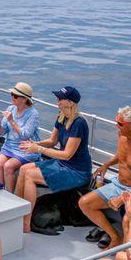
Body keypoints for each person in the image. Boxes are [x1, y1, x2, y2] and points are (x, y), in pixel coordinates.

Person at [79, 106, 131, 249]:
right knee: (84, 203)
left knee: (129, 220)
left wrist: (122, 198)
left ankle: (126, 253)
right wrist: (107, 164)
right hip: (118, 185)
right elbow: (121, 156)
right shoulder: (122, 136)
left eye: (120, 123)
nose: (116, 126)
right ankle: (114, 236)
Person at [17, 86, 92, 233]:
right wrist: (34, 144)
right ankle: (17, 213)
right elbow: (52, 141)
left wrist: (38, 149)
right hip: (63, 164)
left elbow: (67, 155)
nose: (57, 100)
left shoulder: (78, 123)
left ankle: (26, 223)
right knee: (23, 169)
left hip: (77, 171)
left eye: (60, 98)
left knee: (30, 176)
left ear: (70, 102)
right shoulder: (62, 116)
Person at [0, 82, 41, 192]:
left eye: (15, 95)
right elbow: (2, 132)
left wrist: (11, 121)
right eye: (12, 94)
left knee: (8, 166)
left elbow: (26, 135)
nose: (12, 97)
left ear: (24, 99)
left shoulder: (33, 114)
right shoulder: (11, 108)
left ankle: (9, 196)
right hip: (9, 146)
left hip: (26, 148)